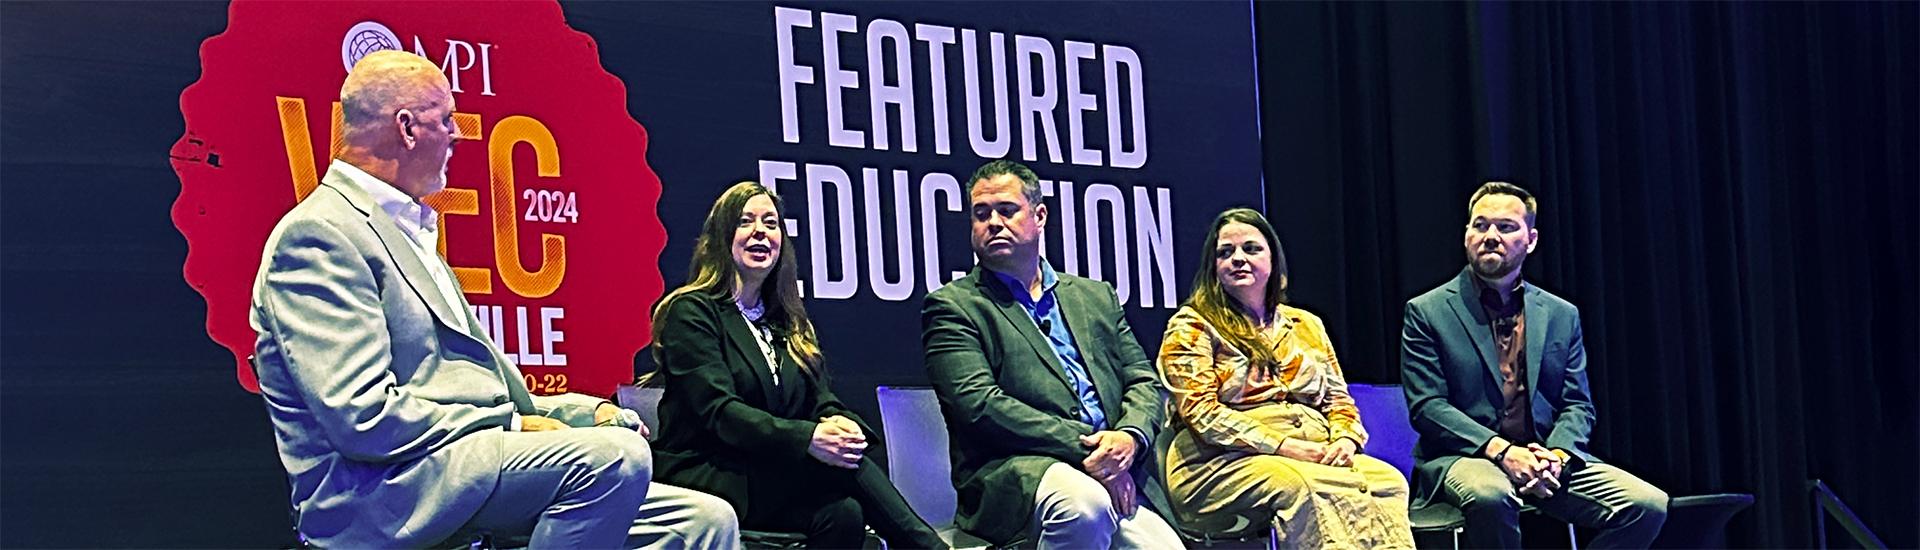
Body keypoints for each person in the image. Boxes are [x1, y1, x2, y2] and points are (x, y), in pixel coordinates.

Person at [250, 50, 737, 549]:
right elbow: (362, 415)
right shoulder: (319, 235)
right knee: (613, 460)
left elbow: (489, 399)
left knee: (703, 520)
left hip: (457, 470)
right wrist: (511, 424)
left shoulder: (408, 232)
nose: (457, 134)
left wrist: (585, 414)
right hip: (383, 492)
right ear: (408, 128)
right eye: (446, 119)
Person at [648, 181, 949, 549]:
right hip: (708, 470)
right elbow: (719, 412)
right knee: (837, 469)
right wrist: (808, 439)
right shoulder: (692, 312)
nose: (760, 231)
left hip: (766, 473)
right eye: (745, 221)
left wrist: (839, 423)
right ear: (722, 236)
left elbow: (818, 398)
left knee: (844, 513)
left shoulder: (785, 322)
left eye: (771, 223)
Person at [920, 160, 1183, 549]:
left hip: (1113, 465)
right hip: (1016, 472)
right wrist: (1094, 448)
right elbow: (980, 406)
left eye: (1007, 210)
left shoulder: (1095, 297)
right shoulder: (953, 307)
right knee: (1084, 506)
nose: (993, 222)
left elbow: (1141, 380)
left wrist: (1128, 438)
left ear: (1039, 215)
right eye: (981, 214)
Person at [1401, 181, 1668, 548]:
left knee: (1647, 505)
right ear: (1466, 235)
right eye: (1480, 225)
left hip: (1544, 458)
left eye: (1506, 227)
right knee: (1492, 496)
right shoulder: (1427, 311)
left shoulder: (1561, 314)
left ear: (1531, 239)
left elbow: (1577, 405)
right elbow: (1428, 407)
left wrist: (1556, 456)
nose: (1490, 236)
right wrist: (1504, 452)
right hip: (1465, 457)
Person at [1158, 208, 1413, 547]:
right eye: (1225, 252)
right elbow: (1200, 413)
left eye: (1251, 249)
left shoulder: (1306, 324)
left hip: (1314, 449)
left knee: (1386, 481)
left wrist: (1345, 441)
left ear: (1273, 260)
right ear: (1213, 268)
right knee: (1308, 485)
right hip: (1215, 463)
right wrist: (1284, 446)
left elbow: (1338, 399)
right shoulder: (1192, 324)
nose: (1237, 258)